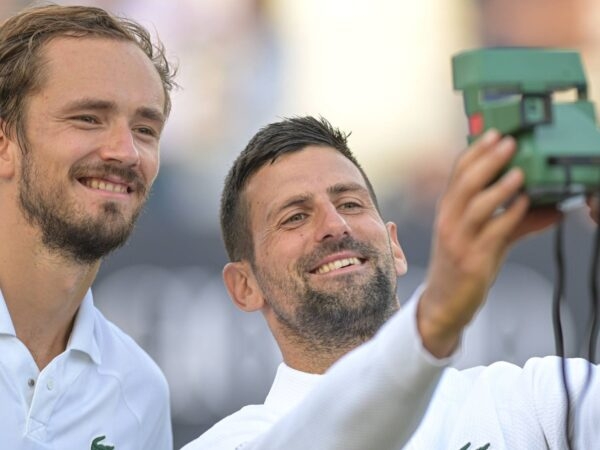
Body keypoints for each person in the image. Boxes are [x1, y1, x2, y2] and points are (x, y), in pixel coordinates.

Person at [183, 116, 599, 449]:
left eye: (350, 202)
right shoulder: (232, 442)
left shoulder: (536, 400)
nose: (335, 225)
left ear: (394, 246)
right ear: (244, 285)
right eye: (295, 216)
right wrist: (435, 315)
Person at [0, 4, 176, 449]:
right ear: (4, 144)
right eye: (88, 118)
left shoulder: (141, 393)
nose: (127, 152)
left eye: (145, 129)